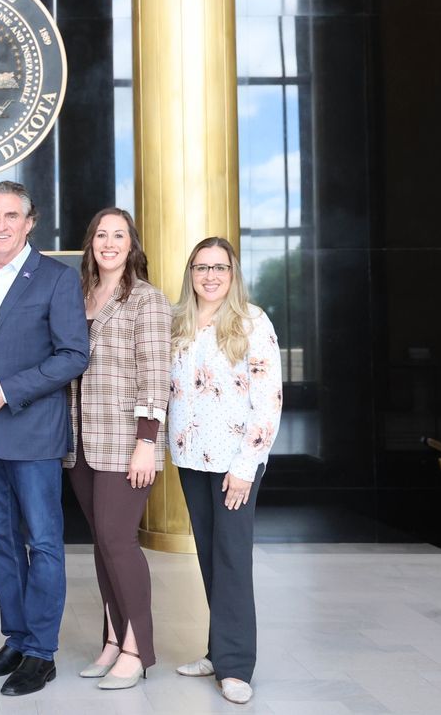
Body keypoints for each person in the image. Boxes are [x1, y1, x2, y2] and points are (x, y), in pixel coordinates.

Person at [0, 181, 89, 697]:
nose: (2, 224)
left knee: (44, 542)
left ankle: (41, 652)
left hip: (32, 430)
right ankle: (15, 637)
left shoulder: (56, 278)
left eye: (12, 215)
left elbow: (73, 354)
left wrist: (10, 390)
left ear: (30, 222)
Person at [168, 237, 283, 706]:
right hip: (191, 460)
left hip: (235, 463)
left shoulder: (252, 322)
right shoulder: (179, 323)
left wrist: (244, 466)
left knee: (233, 560)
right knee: (210, 557)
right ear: (190, 273)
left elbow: (269, 400)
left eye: (219, 267)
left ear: (233, 273)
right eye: (201, 267)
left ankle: (236, 667)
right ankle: (218, 651)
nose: (210, 276)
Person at [64, 207, 171, 690]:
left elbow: (155, 374)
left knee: (119, 541)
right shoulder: (79, 295)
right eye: (101, 234)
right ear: (90, 243)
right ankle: (111, 639)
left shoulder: (147, 300)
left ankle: (138, 649)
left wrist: (147, 441)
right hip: (81, 442)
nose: (109, 242)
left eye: (119, 235)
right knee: (102, 543)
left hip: (127, 443)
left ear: (132, 245)